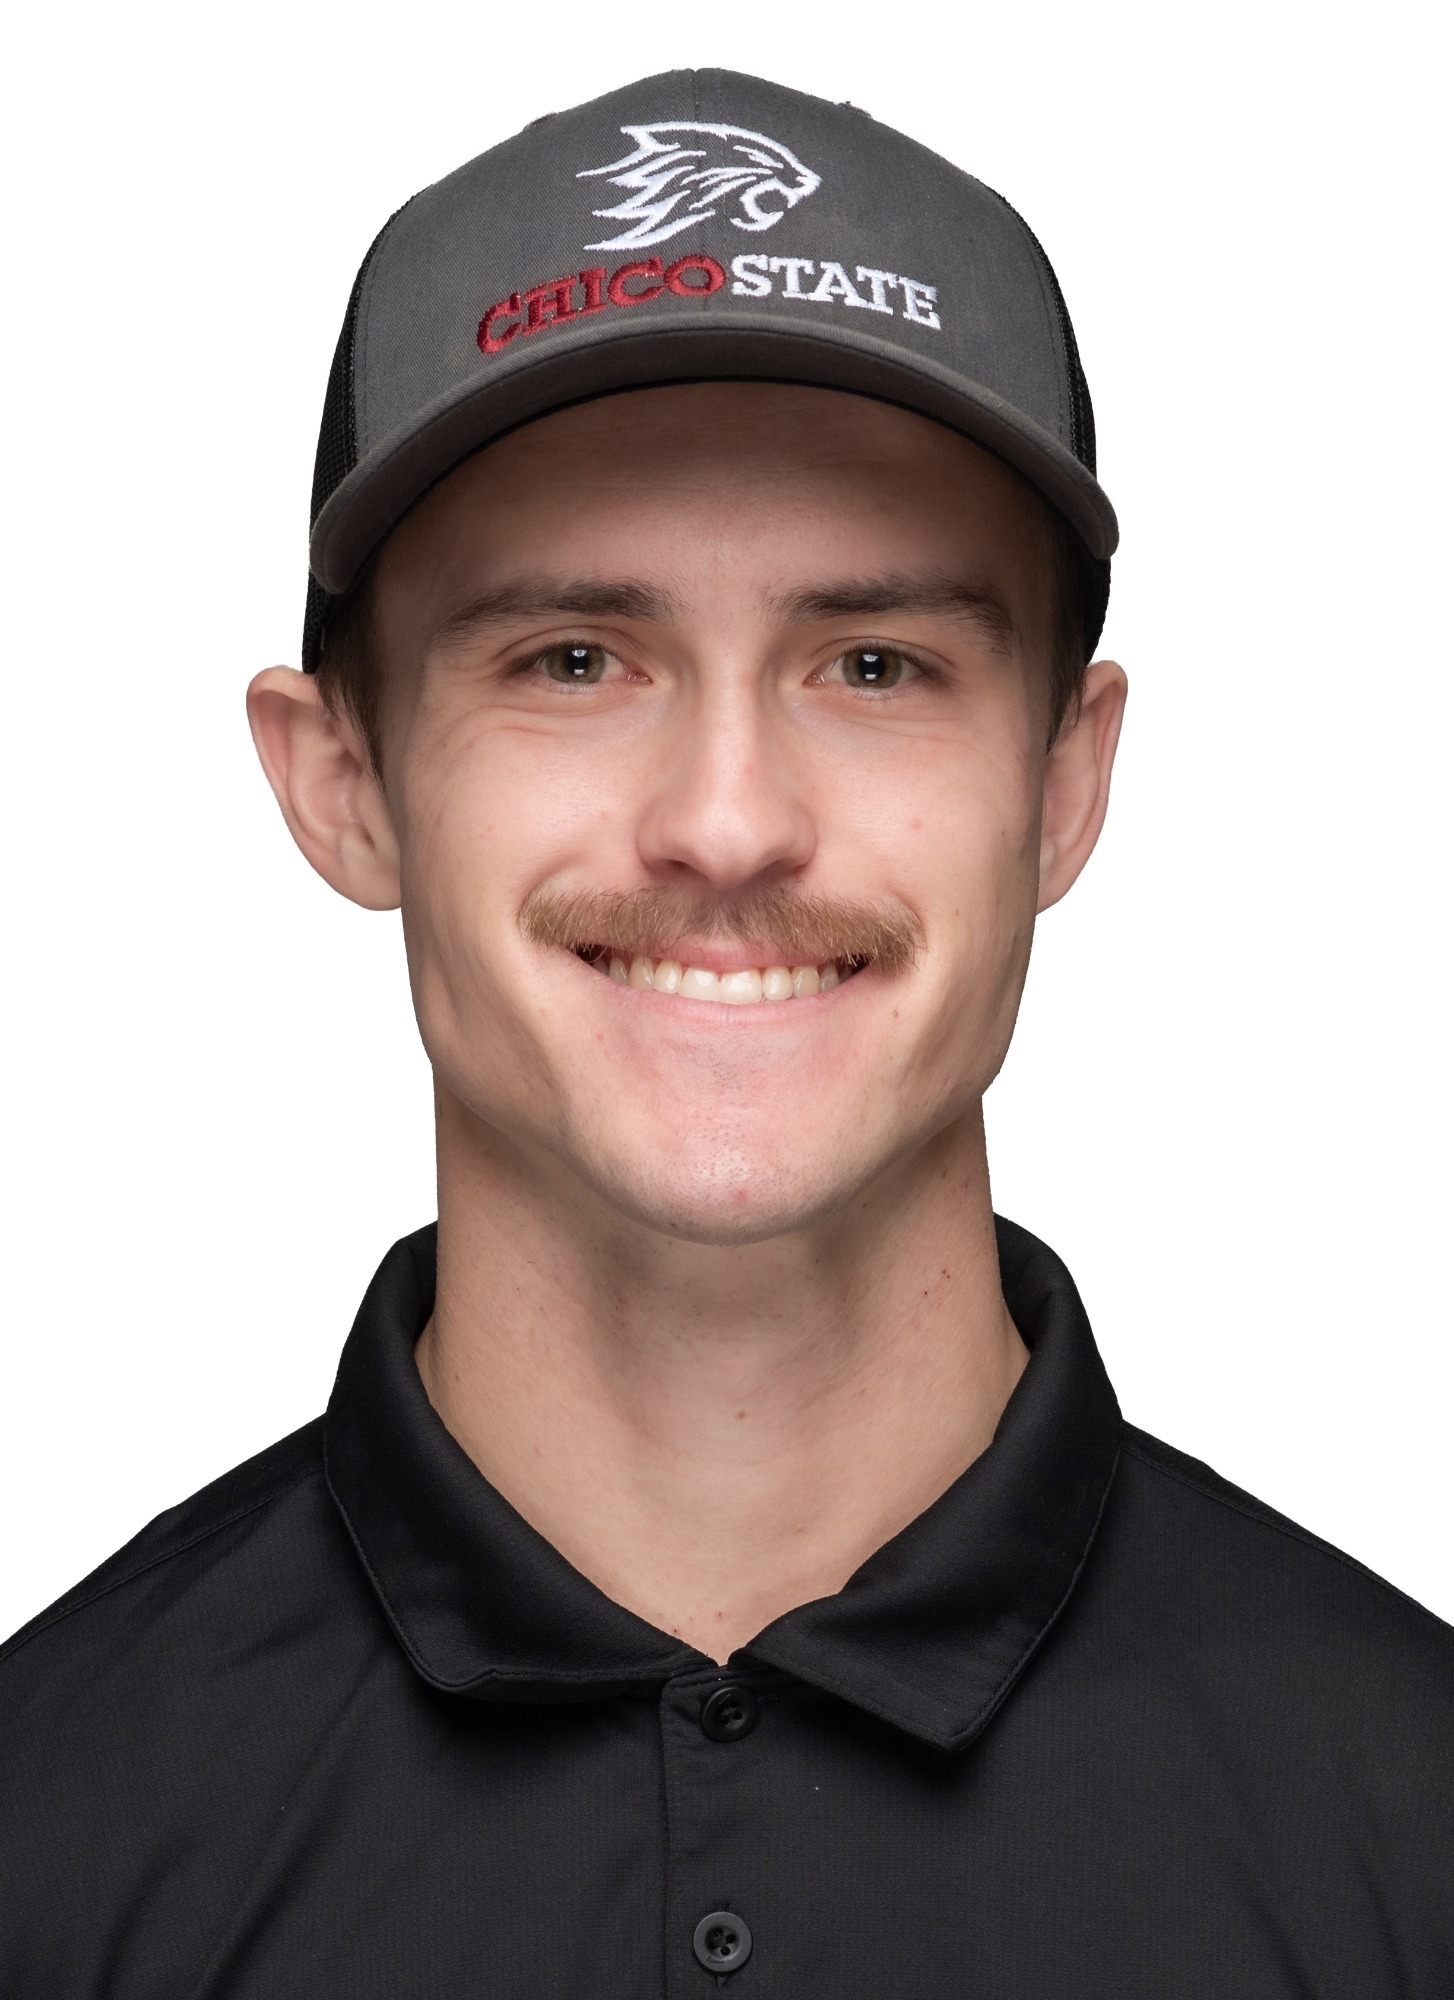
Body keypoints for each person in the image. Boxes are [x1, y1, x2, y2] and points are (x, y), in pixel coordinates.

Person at [1, 67, 1449, 1999]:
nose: (728, 822)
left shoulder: (1412, 1836)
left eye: (874, 664)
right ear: (341, 783)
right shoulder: (46, 1838)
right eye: (573, 659)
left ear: (1062, 789)